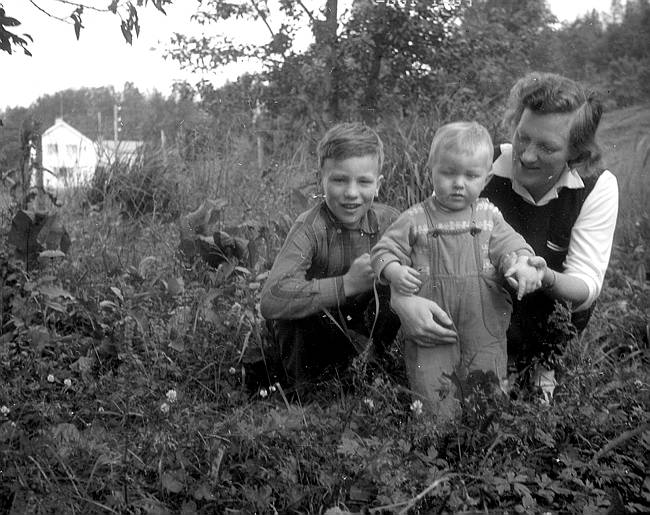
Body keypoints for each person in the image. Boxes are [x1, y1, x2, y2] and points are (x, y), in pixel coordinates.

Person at [390, 72, 619, 402]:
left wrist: (543, 275)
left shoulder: (598, 186)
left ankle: (542, 363)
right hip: (476, 312)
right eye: (523, 137)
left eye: (547, 147)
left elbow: (585, 288)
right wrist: (403, 301)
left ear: (577, 153)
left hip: (546, 316)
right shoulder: (476, 167)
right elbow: (426, 241)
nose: (526, 155)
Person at [371, 121, 546, 415]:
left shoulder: (489, 216)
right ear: (431, 170)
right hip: (433, 323)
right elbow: (383, 251)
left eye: (471, 175)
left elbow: (511, 247)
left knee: (487, 381)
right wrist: (394, 271)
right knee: (432, 387)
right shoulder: (414, 218)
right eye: (448, 173)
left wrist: (523, 265)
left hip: (484, 320)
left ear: (487, 177)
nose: (458, 183)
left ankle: (483, 438)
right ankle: (435, 441)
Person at [260, 122, 401, 393]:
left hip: (358, 332)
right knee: (294, 312)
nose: (351, 193)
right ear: (320, 180)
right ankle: (303, 394)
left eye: (363, 181)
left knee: (395, 283)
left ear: (378, 185)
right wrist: (347, 284)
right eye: (339, 179)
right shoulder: (310, 226)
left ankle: (371, 371)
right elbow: (271, 299)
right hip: (313, 338)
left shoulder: (391, 222)